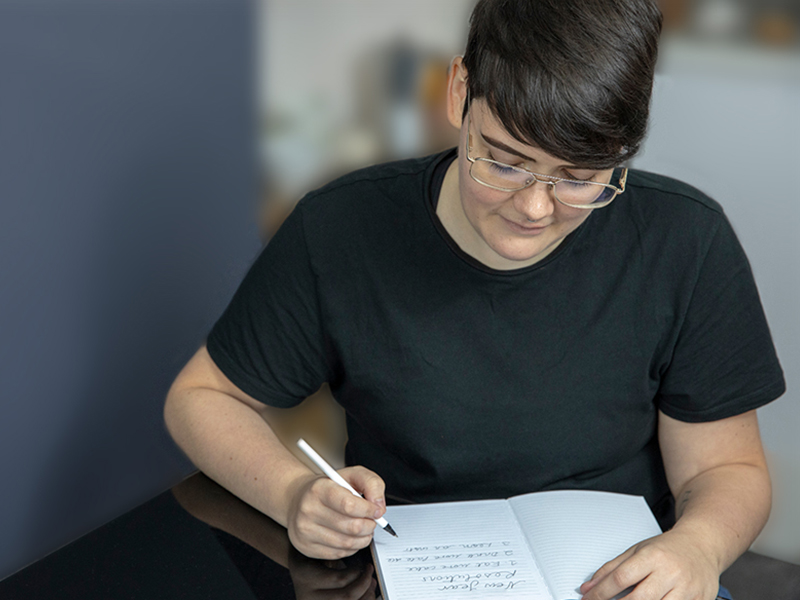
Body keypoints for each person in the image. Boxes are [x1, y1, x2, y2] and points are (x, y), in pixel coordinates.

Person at [164, 1, 785, 598]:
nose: (535, 207)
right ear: (459, 90)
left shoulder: (686, 241)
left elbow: (725, 470)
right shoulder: (342, 231)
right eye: (505, 163)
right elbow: (201, 398)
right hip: (412, 577)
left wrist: (699, 547)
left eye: (579, 178)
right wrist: (292, 494)